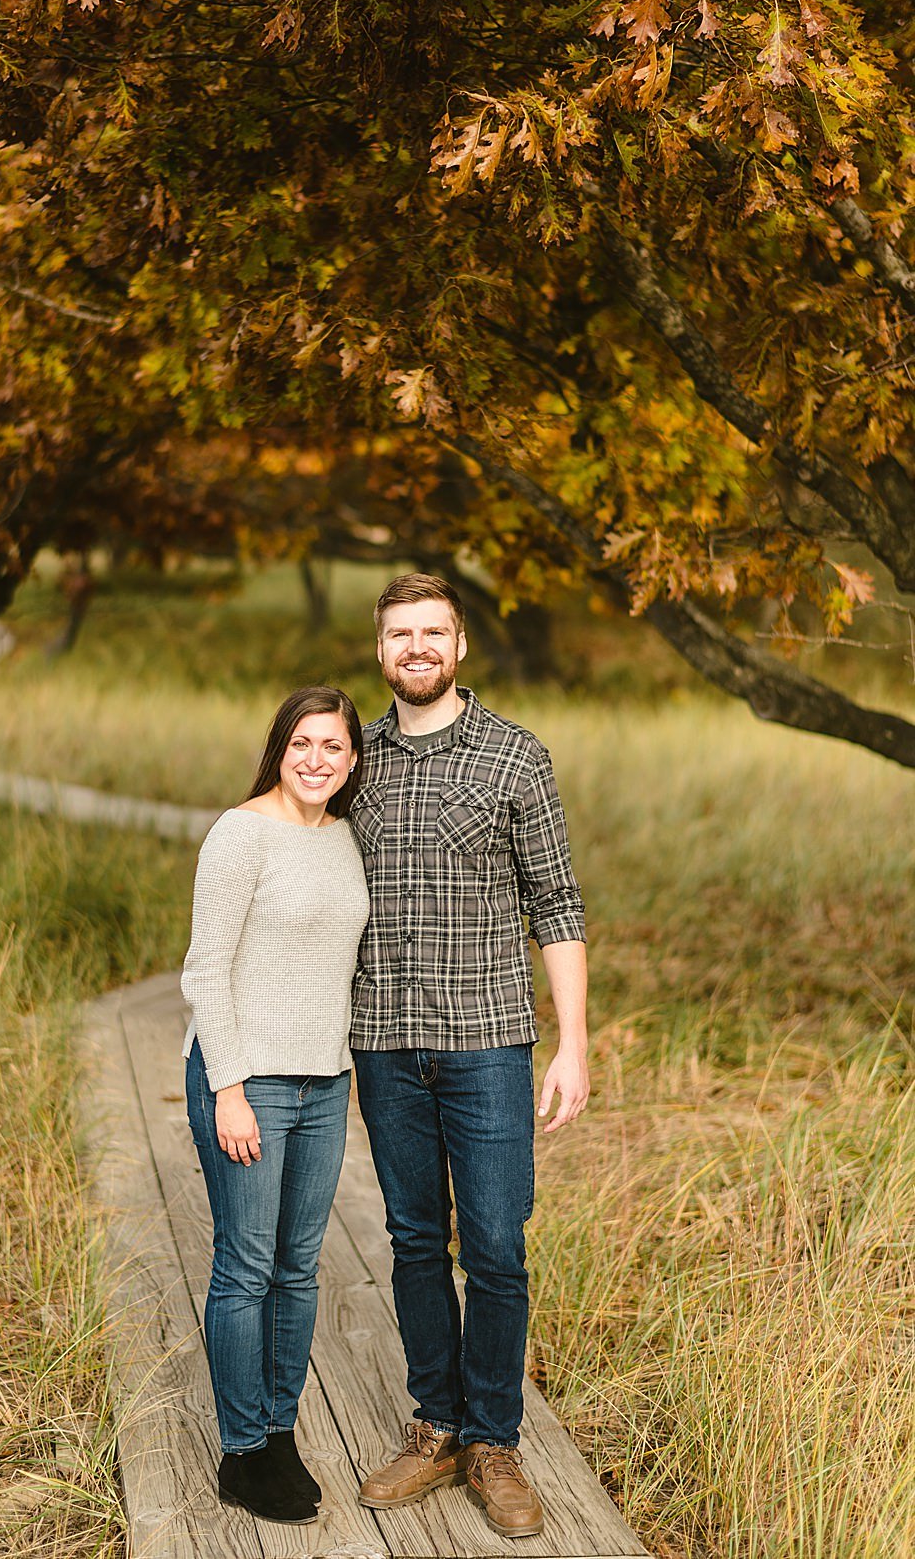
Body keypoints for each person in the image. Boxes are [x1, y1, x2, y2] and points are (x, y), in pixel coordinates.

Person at [347, 572, 590, 1540]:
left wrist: (573, 1043)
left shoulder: (515, 757)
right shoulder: (349, 757)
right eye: (399, 632)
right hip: (383, 1042)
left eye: (432, 631)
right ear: (379, 650)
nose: (415, 646)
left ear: (458, 646)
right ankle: (435, 1421)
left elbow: (558, 904)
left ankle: (492, 1438)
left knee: (493, 1244)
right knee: (413, 1239)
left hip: (488, 1041)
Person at [178, 685, 371, 1525]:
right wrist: (228, 1088)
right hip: (246, 1081)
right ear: (279, 749)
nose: (316, 760)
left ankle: (280, 1429)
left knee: (297, 1269)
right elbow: (203, 970)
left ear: (353, 759)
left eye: (332, 746)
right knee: (245, 1267)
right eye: (302, 744)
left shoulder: (344, 840)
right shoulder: (239, 834)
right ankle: (242, 1449)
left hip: (325, 1084)